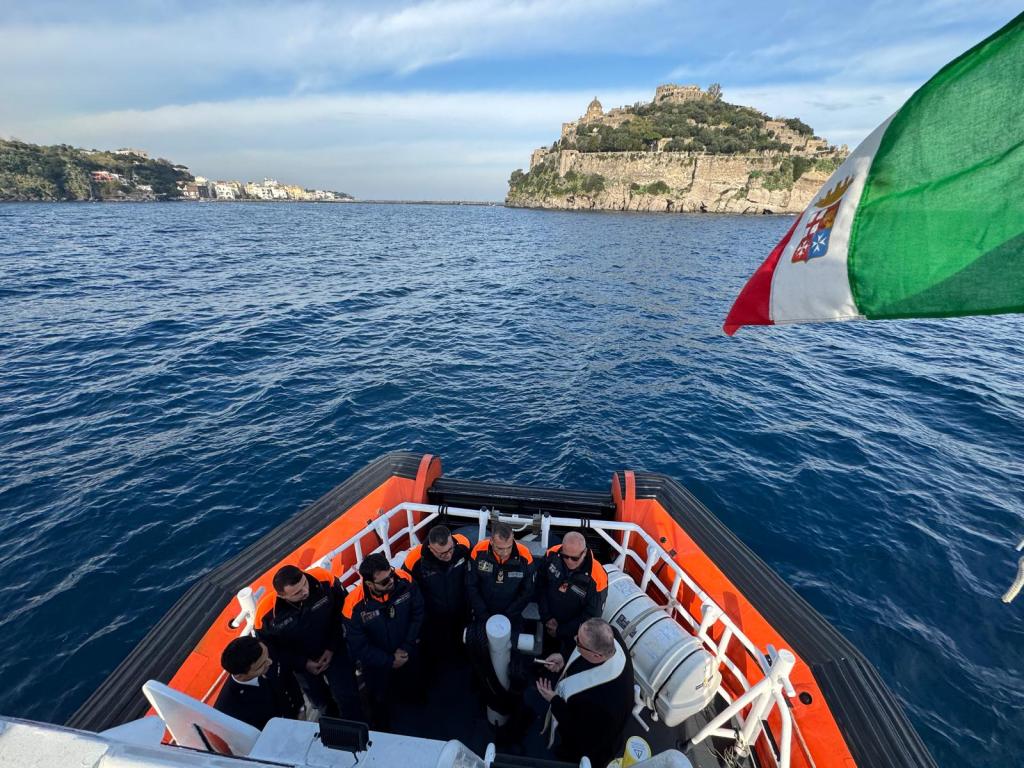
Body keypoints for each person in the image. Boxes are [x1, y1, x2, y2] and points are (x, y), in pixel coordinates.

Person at [254, 565, 357, 717]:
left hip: (335, 651)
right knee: (321, 703)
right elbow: (272, 651)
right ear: (282, 596)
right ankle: (335, 727)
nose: (305, 591)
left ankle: (362, 728)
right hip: (301, 666)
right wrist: (303, 663)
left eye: (304, 584)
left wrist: (331, 647)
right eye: (297, 593)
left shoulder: (324, 579)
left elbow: (342, 612)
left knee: (349, 696)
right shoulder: (265, 615)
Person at [535, 618, 635, 768]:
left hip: (590, 744)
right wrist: (564, 658)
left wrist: (554, 699)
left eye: (578, 642)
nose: (575, 639)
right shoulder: (611, 635)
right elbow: (580, 653)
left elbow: (577, 728)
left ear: (597, 656)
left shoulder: (603, 702)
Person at [343, 553, 425, 728]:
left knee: (415, 686)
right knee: (379, 701)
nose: (391, 581)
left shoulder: (405, 580)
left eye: (391, 574)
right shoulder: (353, 607)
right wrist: (389, 661)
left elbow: (418, 613)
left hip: (407, 651)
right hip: (377, 665)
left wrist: (407, 646)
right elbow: (359, 646)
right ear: (369, 583)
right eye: (384, 581)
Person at [401, 525, 472, 661]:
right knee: (436, 653)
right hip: (433, 618)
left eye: (450, 549)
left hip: (461, 612)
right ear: (430, 548)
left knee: (463, 649)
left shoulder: (463, 544)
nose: (449, 555)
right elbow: (408, 592)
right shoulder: (414, 561)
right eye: (442, 553)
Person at [536, 531, 608, 657]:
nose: (569, 561)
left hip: (573, 635)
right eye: (565, 556)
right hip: (548, 621)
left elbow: (591, 617)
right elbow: (540, 586)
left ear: (584, 552)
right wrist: (546, 616)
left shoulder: (598, 577)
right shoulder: (553, 553)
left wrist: (561, 630)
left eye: (574, 558)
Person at [214, 636, 303, 730]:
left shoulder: (263, 653)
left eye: (267, 656)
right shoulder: (228, 710)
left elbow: (286, 678)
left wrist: (300, 708)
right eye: (261, 666)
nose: (270, 662)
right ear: (239, 675)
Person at [466, 522, 534, 634]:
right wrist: (482, 613)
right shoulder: (478, 552)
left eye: (509, 547)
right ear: (491, 541)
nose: (505, 553)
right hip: (482, 613)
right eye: (500, 548)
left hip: (512, 616)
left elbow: (527, 591)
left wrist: (509, 615)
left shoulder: (525, 556)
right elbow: (471, 584)